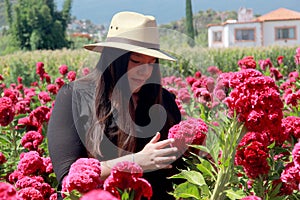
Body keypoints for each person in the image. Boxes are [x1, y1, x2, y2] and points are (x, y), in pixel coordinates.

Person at [47, 11, 182, 200]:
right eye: (136, 61)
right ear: (113, 59)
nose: (145, 72)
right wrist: (136, 162)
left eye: (151, 63)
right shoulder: (74, 97)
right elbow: (68, 179)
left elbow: (177, 170)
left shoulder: (163, 99)